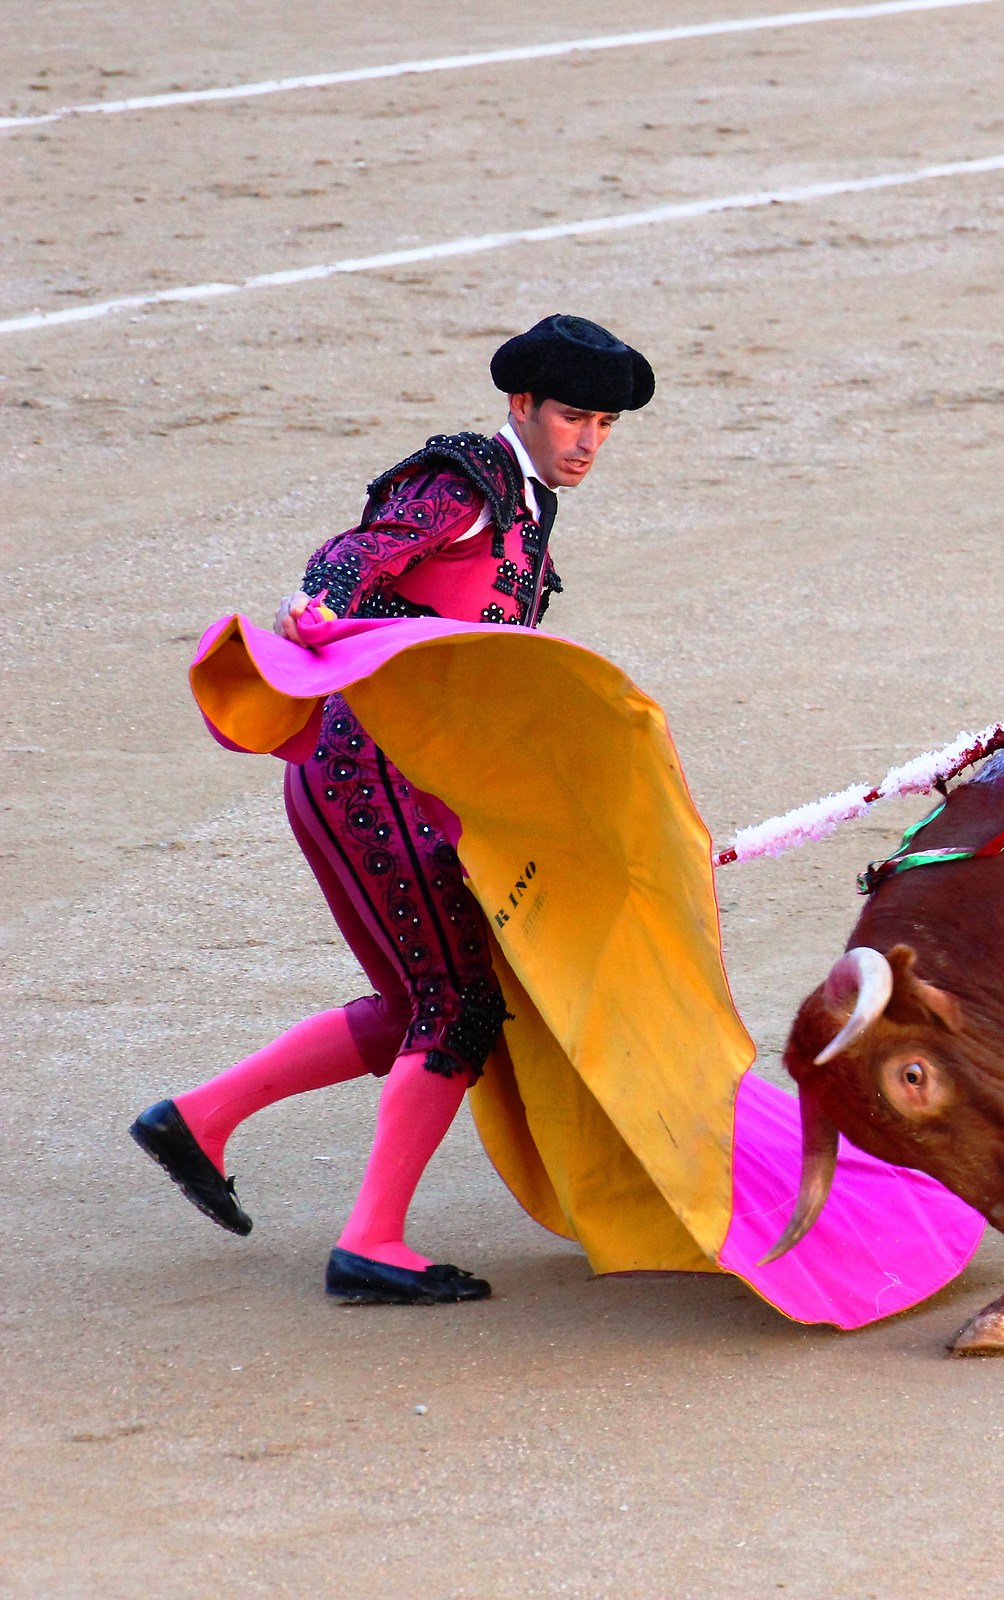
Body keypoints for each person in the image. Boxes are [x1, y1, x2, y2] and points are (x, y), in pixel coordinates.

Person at [132, 314, 655, 1305]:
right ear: (521, 406)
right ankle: (370, 1240)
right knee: (457, 999)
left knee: (424, 996)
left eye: (605, 424)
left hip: (384, 769)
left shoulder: (528, 507)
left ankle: (198, 1118)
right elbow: (355, 553)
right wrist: (320, 605)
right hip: (372, 765)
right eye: (573, 416)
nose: (589, 440)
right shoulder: (465, 484)